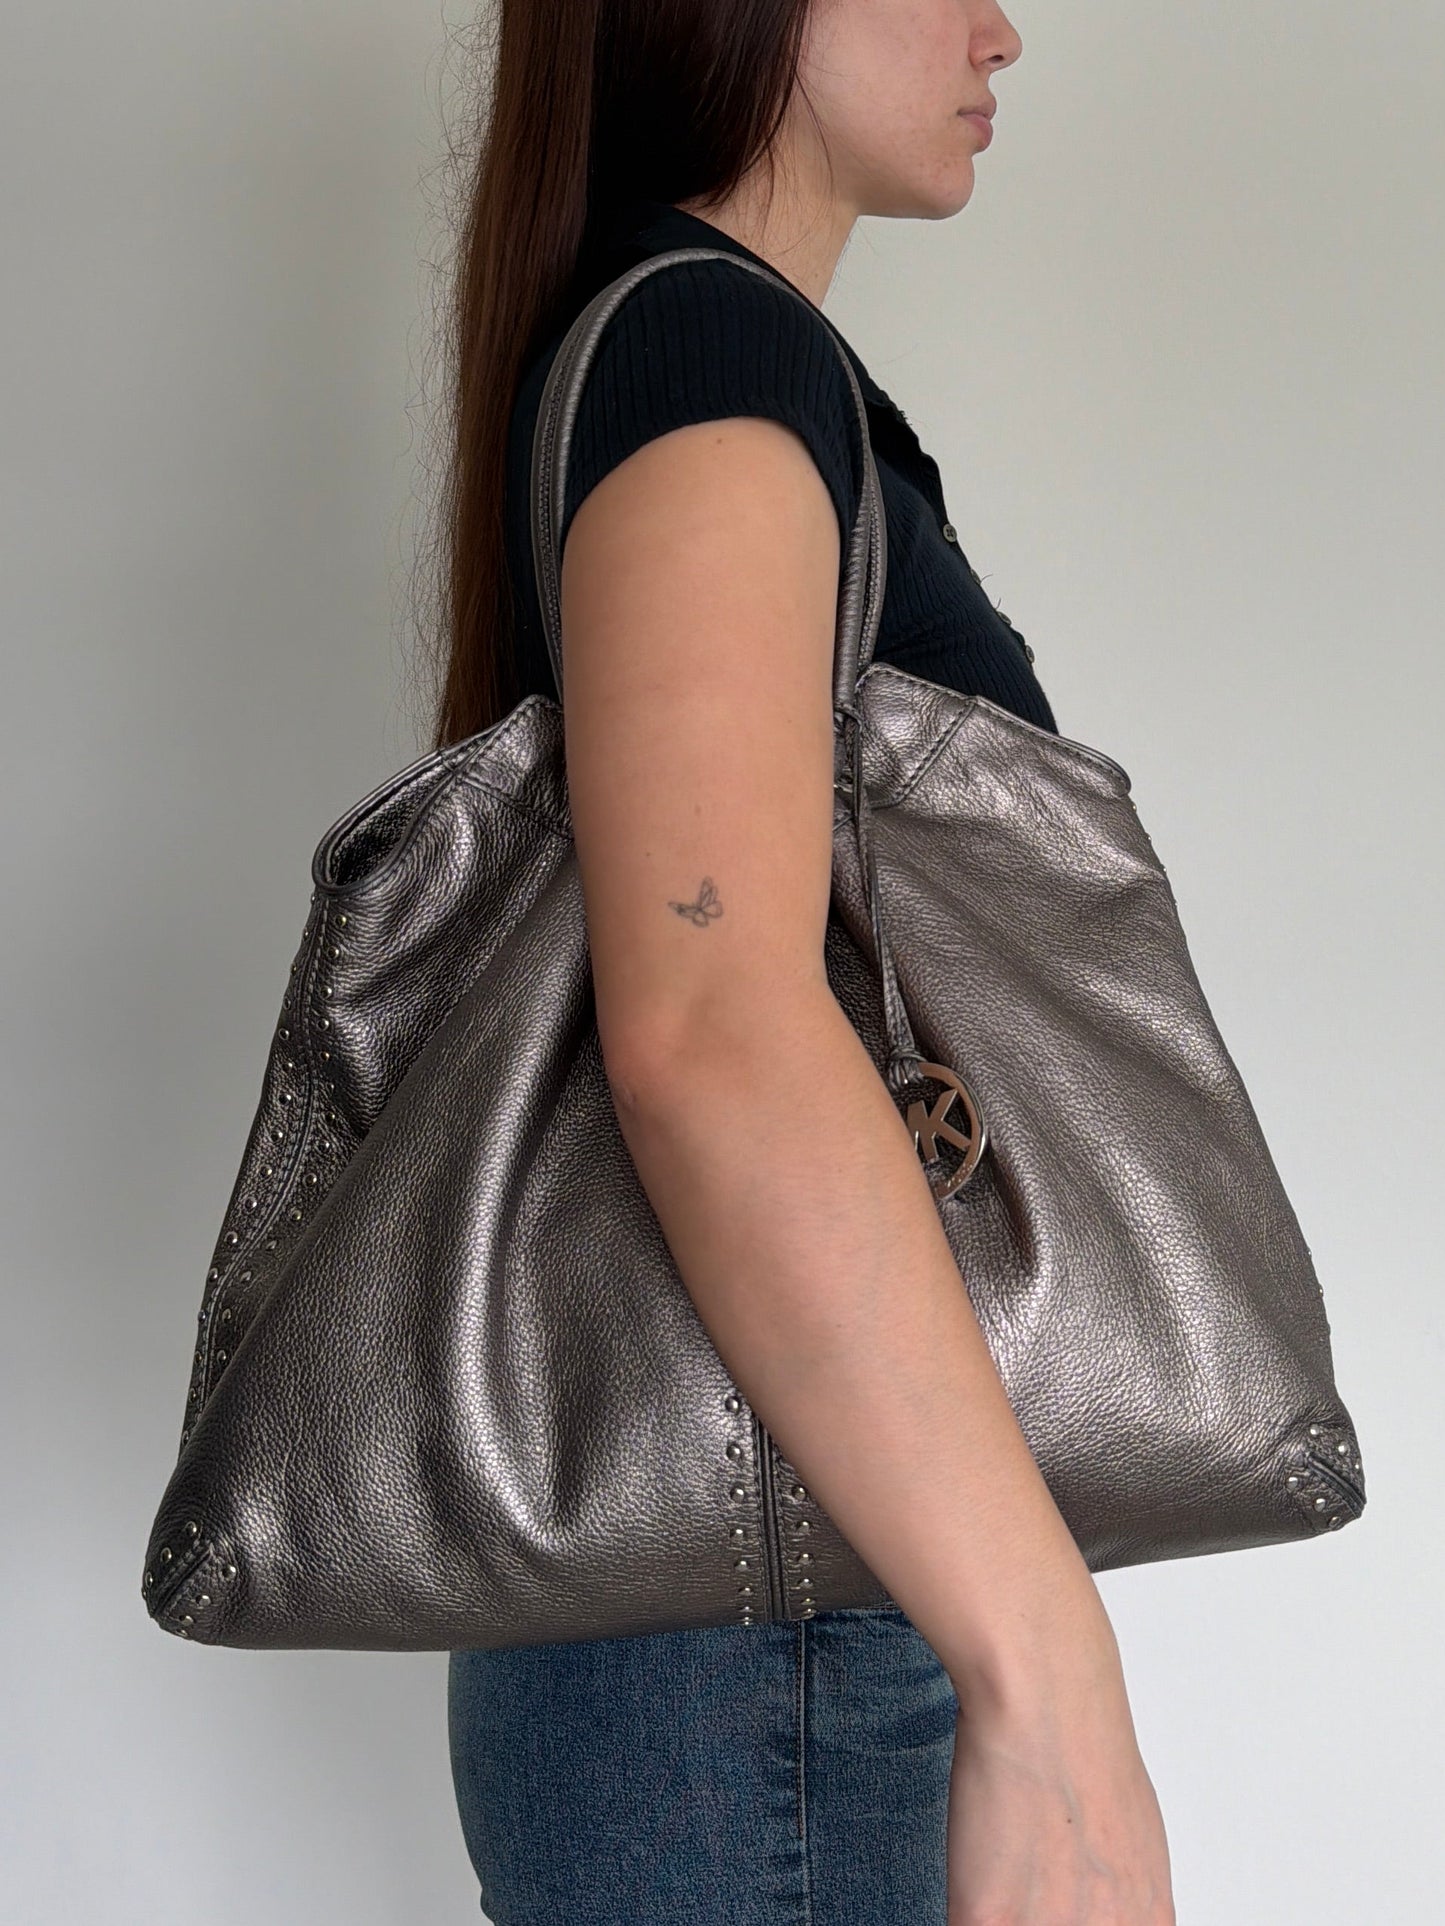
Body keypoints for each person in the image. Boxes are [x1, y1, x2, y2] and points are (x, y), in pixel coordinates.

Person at [432, 2, 1175, 1920]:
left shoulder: (693, 353)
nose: (1003, 28)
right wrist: (1051, 1680)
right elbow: (710, 1024)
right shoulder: (705, 359)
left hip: (738, 1606)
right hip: (767, 1622)